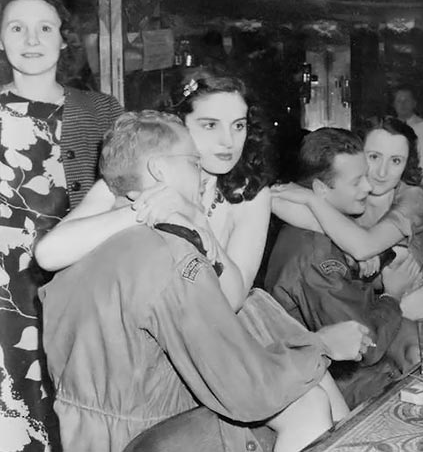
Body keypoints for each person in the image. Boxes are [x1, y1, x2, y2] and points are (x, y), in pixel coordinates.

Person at [40, 111, 370, 452]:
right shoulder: (170, 253)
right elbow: (245, 389)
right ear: (159, 170)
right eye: (194, 162)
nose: (202, 175)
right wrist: (323, 346)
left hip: (88, 437)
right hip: (142, 440)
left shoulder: (87, 247)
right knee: (308, 403)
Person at [35, 71, 272, 311]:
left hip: (211, 335)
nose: (228, 141)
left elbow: (232, 301)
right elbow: (49, 254)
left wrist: (196, 219)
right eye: (210, 125)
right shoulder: (134, 176)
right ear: (179, 123)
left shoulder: (250, 196)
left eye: (239, 126)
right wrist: (146, 209)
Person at [0, 0, 123, 452]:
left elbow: (126, 190)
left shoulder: (102, 110)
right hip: (1, 291)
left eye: (45, 27)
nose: (32, 39)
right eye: (17, 28)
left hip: (73, 282)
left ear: (63, 39)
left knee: (71, 404)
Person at [265, 127, 420, 408]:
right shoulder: (317, 257)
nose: (369, 188)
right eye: (357, 181)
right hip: (333, 384)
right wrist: (393, 296)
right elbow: (365, 346)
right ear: (321, 190)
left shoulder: (325, 228)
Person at [271, 116, 423, 329]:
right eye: (374, 157)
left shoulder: (412, 199)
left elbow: (363, 247)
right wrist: (345, 240)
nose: (382, 172)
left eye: (396, 161)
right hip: (389, 313)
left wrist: (313, 202)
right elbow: (275, 202)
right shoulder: (349, 199)